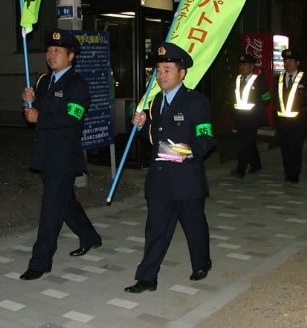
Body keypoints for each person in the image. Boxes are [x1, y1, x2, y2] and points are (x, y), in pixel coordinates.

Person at [124, 41, 216, 293]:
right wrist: (141, 125)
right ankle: (147, 277)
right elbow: (155, 138)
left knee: (194, 226)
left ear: (181, 73)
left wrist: (189, 151)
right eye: (159, 70)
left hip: (186, 180)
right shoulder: (154, 102)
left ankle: (201, 263)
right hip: (161, 179)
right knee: (155, 230)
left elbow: (206, 138)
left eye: (167, 69)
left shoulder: (196, 102)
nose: (161, 75)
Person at [19, 29, 102, 280]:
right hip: (45, 154)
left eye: (57, 51)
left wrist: (40, 116)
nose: (51, 54)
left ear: (71, 56)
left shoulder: (78, 84)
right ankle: (90, 237)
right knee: (66, 203)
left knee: (51, 208)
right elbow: (32, 115)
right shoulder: (44, 81)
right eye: (49, 50)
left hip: (64, 157)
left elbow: (72, 117)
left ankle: (40, 262)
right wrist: (27, 102)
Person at [273, 49, 307, 183]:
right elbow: (276, 100)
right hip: (282, 121)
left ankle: (294, 174)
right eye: (285, 61)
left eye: (291, 61)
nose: (287, 64)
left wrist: (304, 109)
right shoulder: (278, 79)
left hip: (298, 121)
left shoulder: (306, 78)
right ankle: (288, 171)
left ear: (297, 63)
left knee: (295, 148)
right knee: (285, 148)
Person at [231, 53, 270, 178]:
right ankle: (256, 164)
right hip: (240, 117)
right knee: (249, 142)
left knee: (245, 144)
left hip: (252, 118)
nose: (242, 67)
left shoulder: (259, 80)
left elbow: (266, 98)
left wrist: (257, 110)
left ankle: (240, 169)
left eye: (245, 64)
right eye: (241, 64)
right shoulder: (236, 79)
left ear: (252, 66)